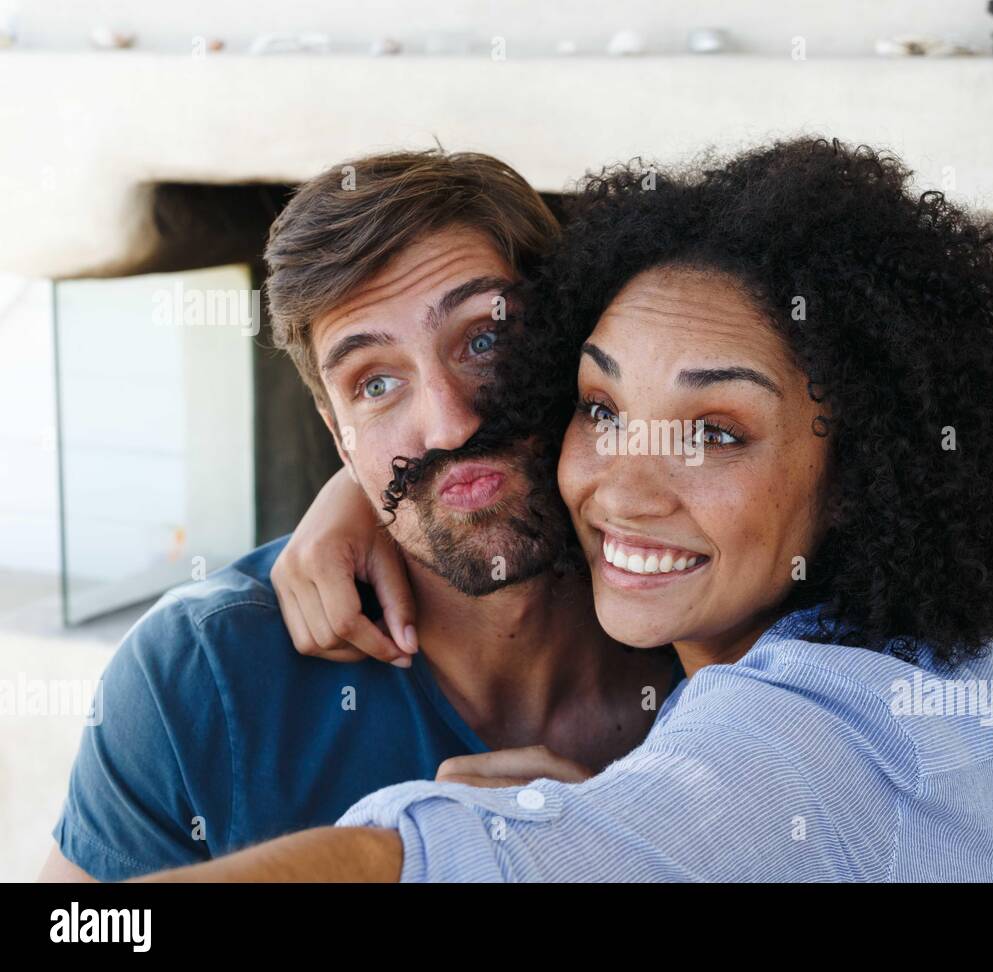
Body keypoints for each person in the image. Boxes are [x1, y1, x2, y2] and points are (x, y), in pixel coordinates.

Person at [144, 138, 993, 882]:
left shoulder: (816, 747)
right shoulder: (929, 643)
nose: (627, 491)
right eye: (603, 410)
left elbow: (440, 867)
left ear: (866, 468)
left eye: (715, 432)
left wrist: (581, 833)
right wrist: (365, 488)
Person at [39, 150, 679, 882]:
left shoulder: (711, 623)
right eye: (375, 382)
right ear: (336, 431)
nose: (448, 424)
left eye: (485, 340)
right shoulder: (201, 673)